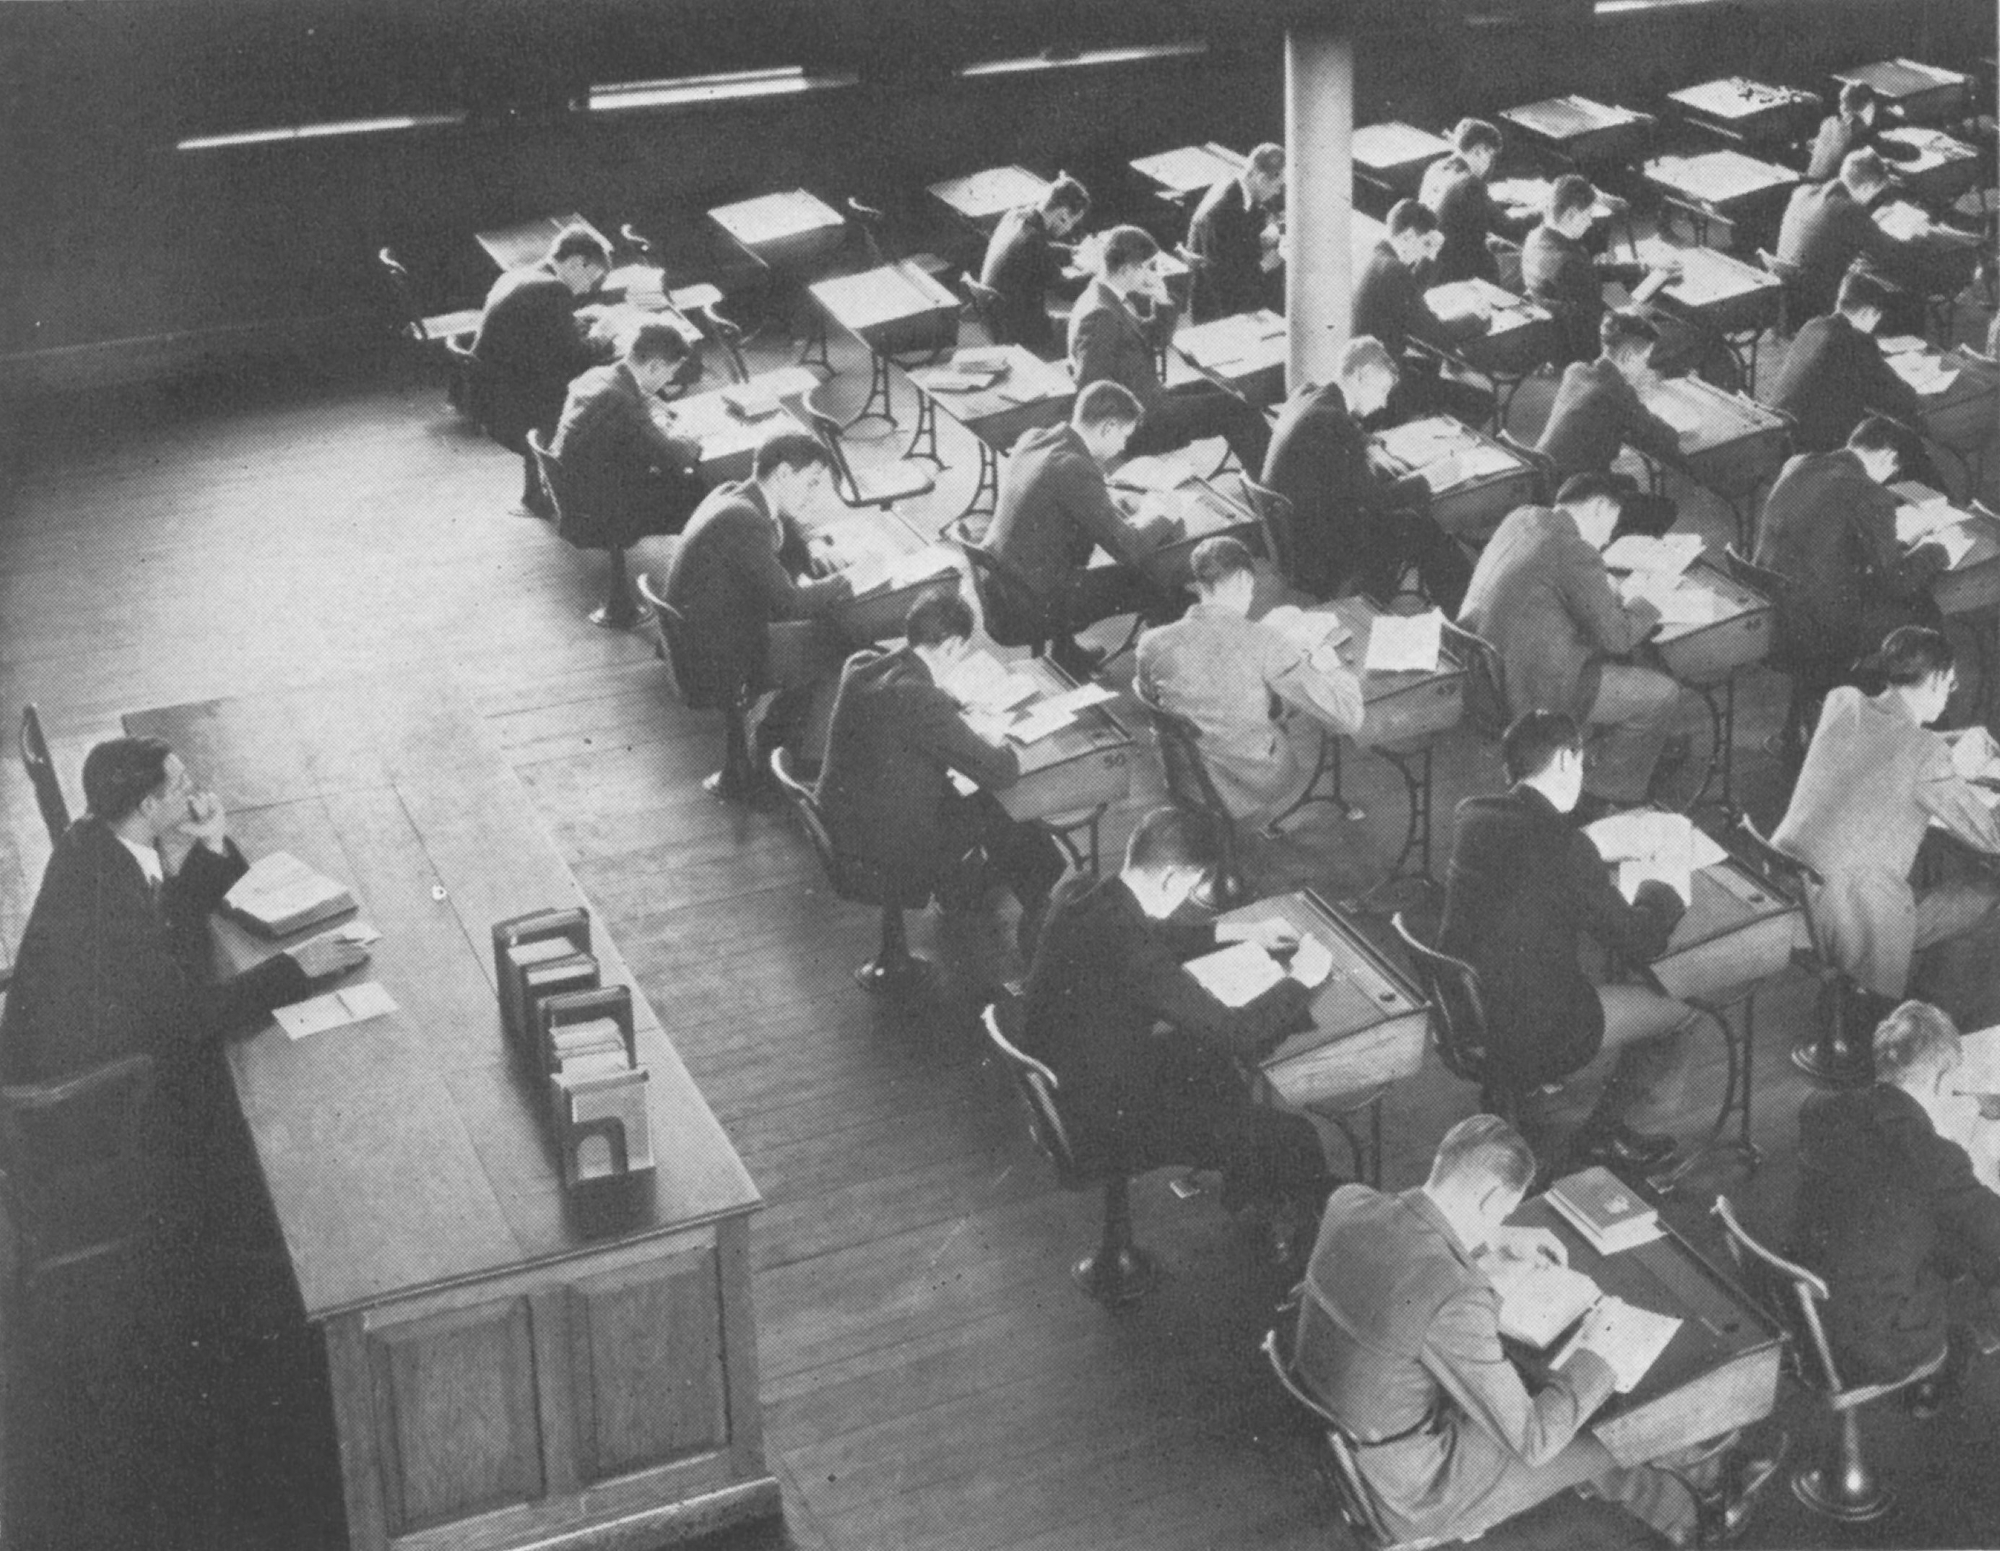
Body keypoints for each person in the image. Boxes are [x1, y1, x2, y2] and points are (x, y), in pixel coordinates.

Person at [1293, 1115, 1745, 1547]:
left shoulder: (1350, 1202)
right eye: (1501, 1211)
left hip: (1353, 1433)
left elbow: (1407, 1246)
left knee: (1554, 1399)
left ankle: (1691, 1488)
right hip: (1414, 1488)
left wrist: (1496, 1234)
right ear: (1491, 1200)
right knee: (1611, 1428)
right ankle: (1707, 1506)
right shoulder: (1455, 1297)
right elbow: (1533, 1439)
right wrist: (1601, 1353)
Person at [1019, 805, 1334, 1219]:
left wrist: (1236, 931)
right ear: (1171, 878)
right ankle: (1302, 1250)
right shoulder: (1133, 951)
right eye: (1191, 888)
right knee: (1296, 1136)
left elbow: (1147, 932)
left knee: (1211, 1060)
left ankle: (1249, 1193)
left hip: (1072, 1081)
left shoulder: (1081, 894)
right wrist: (1302, 979)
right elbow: (1236, 1030)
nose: (1189, 898)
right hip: (1106, 1119)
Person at [1438, 713, 1696, 1169]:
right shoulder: (1565, 847)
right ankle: (1608, 1132)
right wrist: (1662, 887)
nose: (1582, 772)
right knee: (1680, 1008)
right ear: (1563, 760)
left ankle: (1517, 1090)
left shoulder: (1472, 815)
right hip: (1536, 1031)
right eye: (1581, 761)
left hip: (1464, 1015)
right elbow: (1641, 942)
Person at [815, 592, 1066, 958]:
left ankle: (964, 888)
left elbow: (908, 704)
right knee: (1005, 810)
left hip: (844, 817)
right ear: (950, 645)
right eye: (962, 652)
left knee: (976, 803)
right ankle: (1041, 916)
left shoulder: (862, 664)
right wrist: (995, 738)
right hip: (882, 840)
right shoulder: (920, 700)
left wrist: (951, 703)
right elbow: (1001, 771)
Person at [1772, 627, 2000, 1002]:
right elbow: (1989, 837)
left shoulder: (1842, 702)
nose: (1949, 695)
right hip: (1852, 920)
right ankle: (1936, 1012)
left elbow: (1887, 737)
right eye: (1951, 684)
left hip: (1792, 887)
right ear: (1937, 680)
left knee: (1925, 860)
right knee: (1987, 891)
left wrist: (1957, 739)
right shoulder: (1925, 754)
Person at [1794, 1001, 2000, 1396]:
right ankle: (1970, 1343)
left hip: (1807, 1310)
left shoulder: (1821, 1109)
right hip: (1876, 1344)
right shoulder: (1934, 1158)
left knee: (1945, 1231)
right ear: (1943, 1078)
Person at [1460, 473, 1686, 806]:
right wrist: (1652, 597)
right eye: (1610, 529)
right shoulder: (1572, 549)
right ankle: (1606, 795)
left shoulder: (1523, 517)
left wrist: (1599, 583)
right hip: (1534, 688)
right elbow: (1618, 637)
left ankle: (1598, 757)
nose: (1606, 541)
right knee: (1661, 695)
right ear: (1597, 507)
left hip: (1485, 672)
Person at [660, 429, 853, 798]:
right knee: (836, 646)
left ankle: (777, 740)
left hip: (698, 638)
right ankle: (792, 761)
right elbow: (789, 603)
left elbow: (781, 521)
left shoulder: (733, 493)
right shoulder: (744, 521)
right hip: (719, 657)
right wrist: (847, 580)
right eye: (811, 483)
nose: (814, 495)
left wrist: (810, 542)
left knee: (815, 633)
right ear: (782, 474)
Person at [1135, 536, 1363, 826]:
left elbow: (1160, 697)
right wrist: (1330, 667)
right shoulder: (1265, 641)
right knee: (1294, 702)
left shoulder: (1150, 642)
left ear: (1199, 584)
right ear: (1244, 579)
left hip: (1183, 776)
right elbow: (1347, 717)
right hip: (1250, 780)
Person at [1261, 337, 1473, 609]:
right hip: (1319, 553)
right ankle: (1465, 610)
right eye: (1382, 390)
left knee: (1411, 520)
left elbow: (1339, 464)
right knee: (1419, 526)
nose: (1384, 403)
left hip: (1292, 538)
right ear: (1361, 377)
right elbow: (1375, 501)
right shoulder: (1334, 421)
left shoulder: (1308, 393)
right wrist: (1429, 478)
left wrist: (1366, 444)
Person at [985, 380, 1177, 679]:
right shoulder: (1074, 467)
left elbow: (1056, 501)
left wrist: (1106, 500)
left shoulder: (1034, 438)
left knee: (1078, 552)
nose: (1123, 446)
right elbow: (1130, 549)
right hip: (1032, 605)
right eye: (1124, 436)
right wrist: (1165, 514)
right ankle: (1168, 673)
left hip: (1002, 588)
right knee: (1157, 580)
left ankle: (1066, 651)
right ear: (1108, 427)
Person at [1067, 224, 1271, 474]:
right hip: (1141, 422)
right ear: (1130, 268)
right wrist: (1128, 423)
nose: (1154, 274)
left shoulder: (1106, 296)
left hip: (1150, 396)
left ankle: (1269, 473)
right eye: (1149, 267)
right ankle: (1274, 484)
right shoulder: (1101, 315)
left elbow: (1154, 340)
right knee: (1238, 410)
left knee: (1226, 390)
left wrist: (1162, 300)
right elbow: (1091, 387)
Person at [1753, 414, 1946, 669]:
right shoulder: (1869, 491)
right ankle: (1896, 694)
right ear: (1887, 457)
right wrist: (1937, 550)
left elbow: (1829, 542)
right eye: (1893, 471)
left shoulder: (1797, 463)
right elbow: (1895, 582)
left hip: (1775, 609)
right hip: (1820, 628)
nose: (1888, 479)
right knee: (1925, 609)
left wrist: (1892, 546)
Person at [548, 319, 705, 623]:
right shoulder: (619, 401)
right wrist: (691, 442)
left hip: (576, 491)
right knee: (702, 490)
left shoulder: (600, 376)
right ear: (655, 366)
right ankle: (693, 590)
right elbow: (674, 455)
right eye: (670, 373)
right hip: (602, 508)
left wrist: (658, 406)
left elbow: (636, 397)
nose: (670, 380)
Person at [471, 224, 613, 515]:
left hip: (489, 390)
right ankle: (573, 488)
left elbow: (539, 336)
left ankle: (550, 488)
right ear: (576, 263)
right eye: (590, 278)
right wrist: (605, 334)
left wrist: (577, 321)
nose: (588, 288)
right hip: (513, 403)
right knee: (602, 390)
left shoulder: (521, 275)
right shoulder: (553, 289)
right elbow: (573, 359)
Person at [1533, 310, 1681, 539]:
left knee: (1628, 483)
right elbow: (1667, 438)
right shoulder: (1616, 390)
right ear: (1628, 355)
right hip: (1571, 497)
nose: (1646, 367)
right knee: (1665, 509)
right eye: (1644, 359)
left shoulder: (1576, 371)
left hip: (1544, 483)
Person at [1352, 198, 1494, 427]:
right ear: (1408, 237)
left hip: (1370, 369)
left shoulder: (1378, 257)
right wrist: (1476, 318)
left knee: (1431, 368)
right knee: (1481, 400)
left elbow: (1408, 297)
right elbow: (1432, 333)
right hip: (1384, 382)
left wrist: (1430, 255)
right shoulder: (1393, 269)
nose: (1421, 252)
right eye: (1424, 242)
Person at [1775, 148, 1951, 322]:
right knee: (1904, 285)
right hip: (1817, 298)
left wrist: (1868, 226)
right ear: (1867, 187)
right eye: (1876, 192)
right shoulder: (1850, 211)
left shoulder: (1803, 191)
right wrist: (1918, 235)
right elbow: (1890, 254)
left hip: (1784, 285)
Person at [1521, 175, 1680, 367]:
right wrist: (1635, 314)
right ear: (1571, 214)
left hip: (1557, 334)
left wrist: (1644, 266)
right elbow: (1595, 323)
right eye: (1587, 215)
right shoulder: (1569, 263)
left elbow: (1590, 271)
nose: (1590, 223)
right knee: (1677, 336)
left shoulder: (1537, 238)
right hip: (1585, 348)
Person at [1764, 267, 1925, 456]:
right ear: (1869, 312)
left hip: (1776, 436)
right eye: (1877, 317)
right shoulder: (1857, 341)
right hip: (1814, 451)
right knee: (1907, 428)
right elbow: (1901, 398)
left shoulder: (1813, 325)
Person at [979, 174, 1091, 358]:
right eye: (1072, 222)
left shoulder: (1015, 216)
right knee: (1099, 331)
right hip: (1028, 334)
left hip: (1000, 320)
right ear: (1062, 215)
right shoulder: (1032, 240)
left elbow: (1041, 251)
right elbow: (1067, 291)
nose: (1070, 229)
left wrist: (1073, 252)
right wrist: (1099, 268)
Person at [1417, 118, 1538, 284]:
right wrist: (1544, 208)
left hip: (1433, 266)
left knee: (1502, 246)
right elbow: (1512, 229)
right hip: (1459, 274)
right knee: (1532, 263)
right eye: (1490, 157)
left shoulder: (1435, 168)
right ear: (1479, 151)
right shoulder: (1469, 183)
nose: (1489, 164)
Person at [1185, 141, 1285, 321]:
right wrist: (1262, 266)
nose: (1278, 192)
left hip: (1233, 284)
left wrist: (1269, 226)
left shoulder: (1237, 184)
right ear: (1261, 179)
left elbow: (1249, 217)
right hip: (1218, 307)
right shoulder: (1219, 212)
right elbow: (1222, 278)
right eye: (1278, 185)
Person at [1806, 81, 1920, 183]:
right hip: (1834, 190)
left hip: (1812, 182)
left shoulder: (1828, 122)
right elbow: (1911, 154)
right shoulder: (1861, 133)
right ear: (1869, 106)